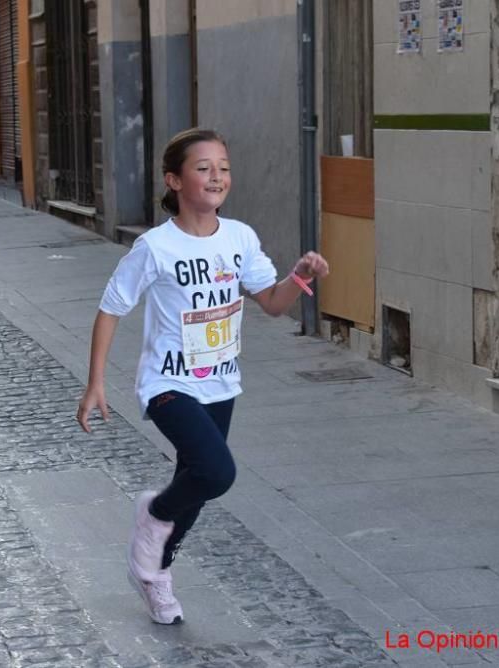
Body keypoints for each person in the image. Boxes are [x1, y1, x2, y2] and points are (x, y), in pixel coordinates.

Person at [76, 128, 330, 625]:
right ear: (174, 180)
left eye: (224, 168)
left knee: (195, 482)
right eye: (203, 167)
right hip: (168, 384)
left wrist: (301, 275)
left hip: (220, 382)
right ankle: (152, 518)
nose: (217, 176)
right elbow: (111, 309)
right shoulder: (155, 247)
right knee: (216, 472)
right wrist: (96, 383)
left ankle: (155, 574)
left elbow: (273, 304)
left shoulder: (240, 238)